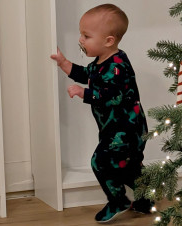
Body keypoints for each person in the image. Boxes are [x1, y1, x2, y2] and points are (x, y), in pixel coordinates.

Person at [50, 4, 153, 223]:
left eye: (86, 36)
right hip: (116, 129)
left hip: (126, 130)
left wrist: (83, 93)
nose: (81, 39)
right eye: (81, 34)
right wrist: (64, 63)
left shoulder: (118, 66)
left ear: (108, 41)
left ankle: (118, 200)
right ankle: (145, 200)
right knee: (130, 166)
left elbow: (112, 96)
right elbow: (84, 73)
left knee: (101, 162)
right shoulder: (99, 63)